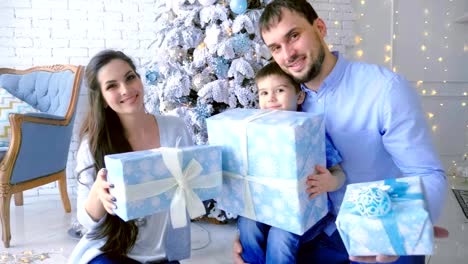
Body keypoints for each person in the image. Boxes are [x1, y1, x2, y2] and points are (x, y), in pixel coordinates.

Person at [234, 1, 448, 263]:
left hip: (380, 230)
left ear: (320, 28)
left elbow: (426, 173)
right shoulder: (282, 104)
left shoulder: (385, 90)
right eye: (276, 47)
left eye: (294, 36)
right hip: (317, 233)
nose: (288, 54)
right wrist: (258, 231)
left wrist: (399, 226)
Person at [68, 50, 191, 264]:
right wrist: (98, 194)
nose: (125, 90)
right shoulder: (93, 145)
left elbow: (195, 189)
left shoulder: (176, 129)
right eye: (112, 86)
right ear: (104, 99)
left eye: (130, 77)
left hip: (162, 254)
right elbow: (86, 221)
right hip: (110, 251)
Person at [237, 61, 345, 264]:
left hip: (308, 209)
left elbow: (339, 173)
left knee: (281, 236)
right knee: (247, 223)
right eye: (264, 93)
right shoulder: (255, 131)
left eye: (280, 90)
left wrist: (330, 182)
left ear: (300, 96)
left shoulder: (310, 129)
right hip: (268, 204)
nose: (271, 99)